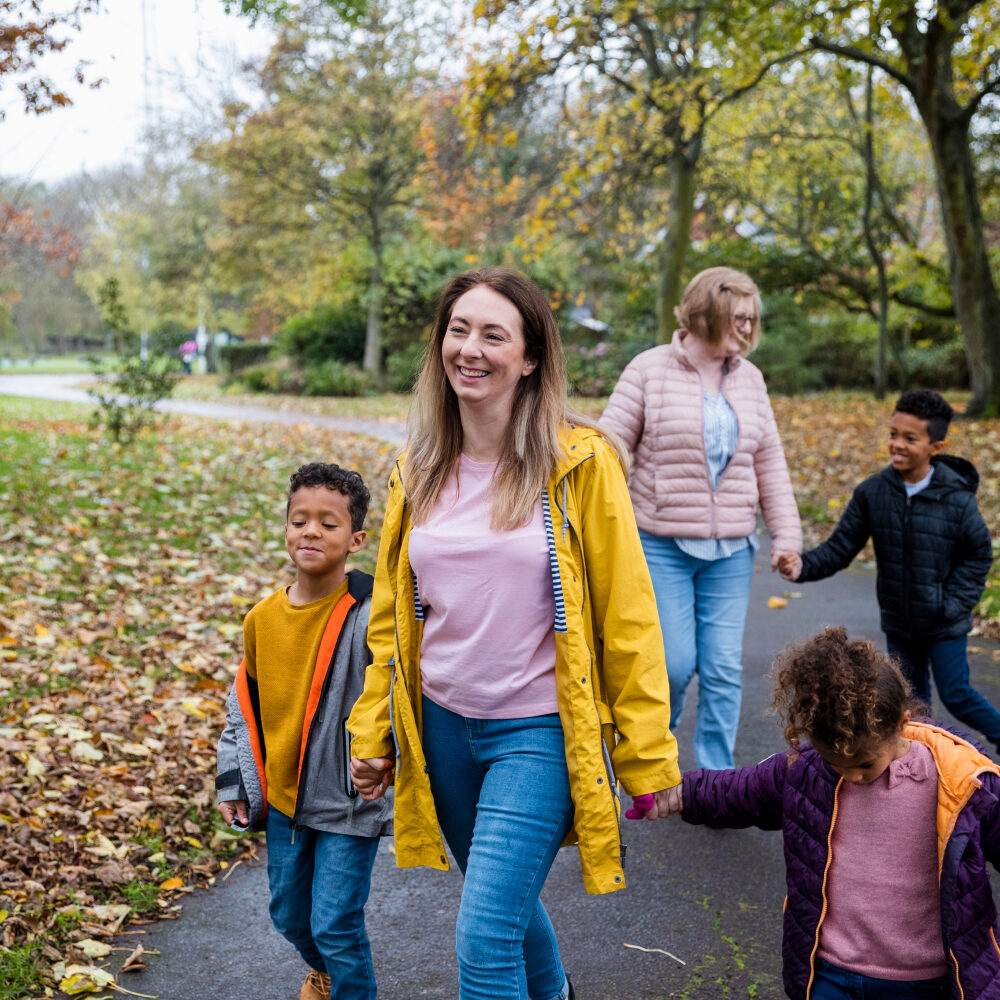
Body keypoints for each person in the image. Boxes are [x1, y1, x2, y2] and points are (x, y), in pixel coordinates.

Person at [347, 267, 681, 1000]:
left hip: (538, 732)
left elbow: (627, 615)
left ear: (529, 358)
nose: (470, 348)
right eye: (458, 330)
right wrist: (373, 731)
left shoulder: (580, 466)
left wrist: (649, 754)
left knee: (483, 937)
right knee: (508, 911)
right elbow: (391, 629)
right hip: (442, 728)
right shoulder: (418, 470)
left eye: (493, 334)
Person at [665, 626, 1000, 999]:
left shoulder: (961, 779)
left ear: (902, 725)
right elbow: (740, 791)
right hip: (831, 974)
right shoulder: (808, 769)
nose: (852, 776)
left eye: (864, 764)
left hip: (927, 981)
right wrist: (678, 793)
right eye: (836, 763)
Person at [601, 265, 801, 770]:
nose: (749, 329)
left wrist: (787, 536)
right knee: (672, 665)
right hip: (660, 542)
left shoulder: (750, 379)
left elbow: (769, 459)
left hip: (732, 548)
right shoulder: (648, 369)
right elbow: (608, 452)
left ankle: (717, 777)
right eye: (739, 318)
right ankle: (655, 756)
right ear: (708, 314)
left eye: (753, 319)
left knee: (722, 668)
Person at [216, 462, 391, 1000]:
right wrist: (233, 783)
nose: (311, 531)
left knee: (335, 923)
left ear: (356, 539)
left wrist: (384, 756)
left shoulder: (370, 615)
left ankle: (347, 985)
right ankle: (328, 974)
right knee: (290, 916)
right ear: (286, 529)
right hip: (286, 800)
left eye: (328, 523)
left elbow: (393, 696)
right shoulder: (262, 619)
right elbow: (242, 708)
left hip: (347, 801)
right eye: (300, 520)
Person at [779, 389, 999, 753]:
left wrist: (954, 603)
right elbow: (841, 547)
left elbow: (978, 554)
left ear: (936, 446)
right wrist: (801, 566)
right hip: (900, 621)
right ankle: (924, 768)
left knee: (957, 694)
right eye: (893, 434)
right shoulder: (873, 492)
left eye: (910, 438)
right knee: (912, 705)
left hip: (945, 622)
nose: (897, 444)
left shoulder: (957, 499)